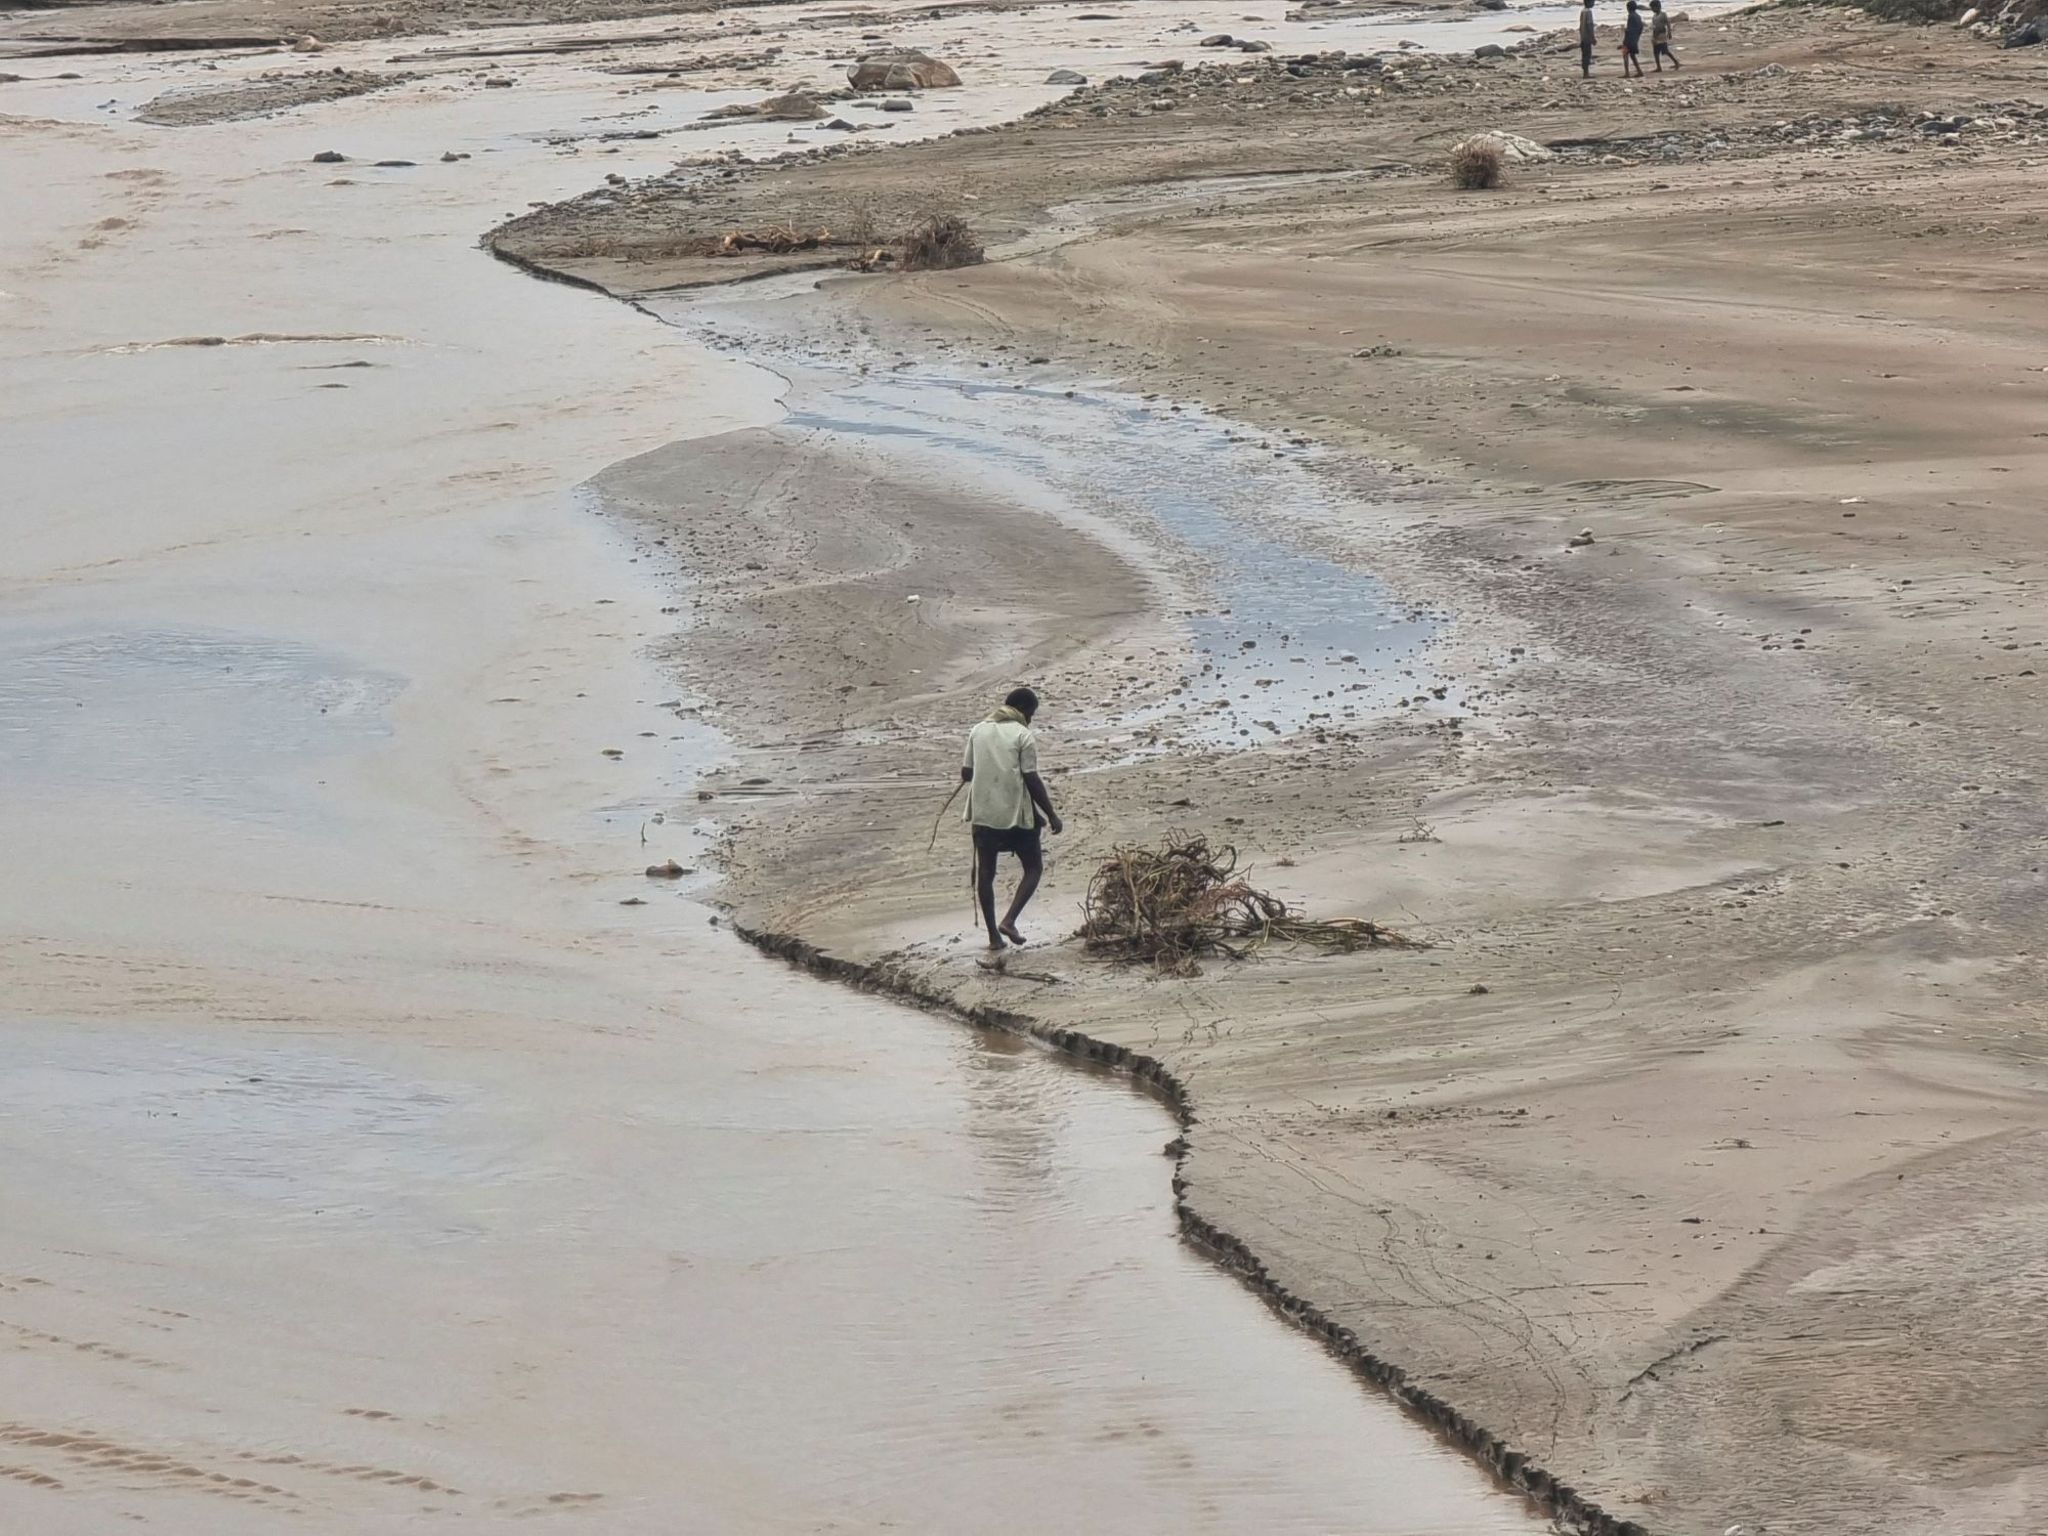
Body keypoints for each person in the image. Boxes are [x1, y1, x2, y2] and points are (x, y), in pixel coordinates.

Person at [960, 687, 1062, 949]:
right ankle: (1009, 920)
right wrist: (1050, 814)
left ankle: (994, 937)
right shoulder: (1022, 735)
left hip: (983, 817)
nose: (1030, 720)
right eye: (1032, 715)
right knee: (1034, 867)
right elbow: (1031, 778)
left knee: (986, 873)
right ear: (1024, 711)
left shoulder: (978, 730)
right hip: (1014, 817)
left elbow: (967, 773)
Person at [1650, 0, 1679, 70]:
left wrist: (1669, 32)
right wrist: (1653, 36)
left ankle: (1676, 62)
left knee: (1665, 51)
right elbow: (1654, 26)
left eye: (1653, 8)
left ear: (1658, 7)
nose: (1652, 9)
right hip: (1656, 35)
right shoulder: (1654, 16)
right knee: (1656, 52)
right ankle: (1658, 67)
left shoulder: (1663, 15)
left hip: (1662, 35)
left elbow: (1668, 23)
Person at [1621, 0, 1645, 76]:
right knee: (1632, 55)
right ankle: (1639, 71)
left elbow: (1629, 29)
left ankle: (1627, 73)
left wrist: (1625, 35)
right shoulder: (1638, 16)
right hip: (1635, 37)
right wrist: (1637, 35)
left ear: (1628, 8)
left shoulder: (1630, 16)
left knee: (1625, 54)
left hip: (1630, 38)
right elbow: (1641, 27)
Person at [1578, 0, 1596, 77]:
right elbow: (1589, 25)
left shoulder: (1582, 11)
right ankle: (1586, 73)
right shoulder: (1589, 12)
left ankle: (1585, 72)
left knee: (1584, 54)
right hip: (1587, 37)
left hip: (1583, 36)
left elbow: (1581, 25)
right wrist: (1593, 37)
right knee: (1587, 55)